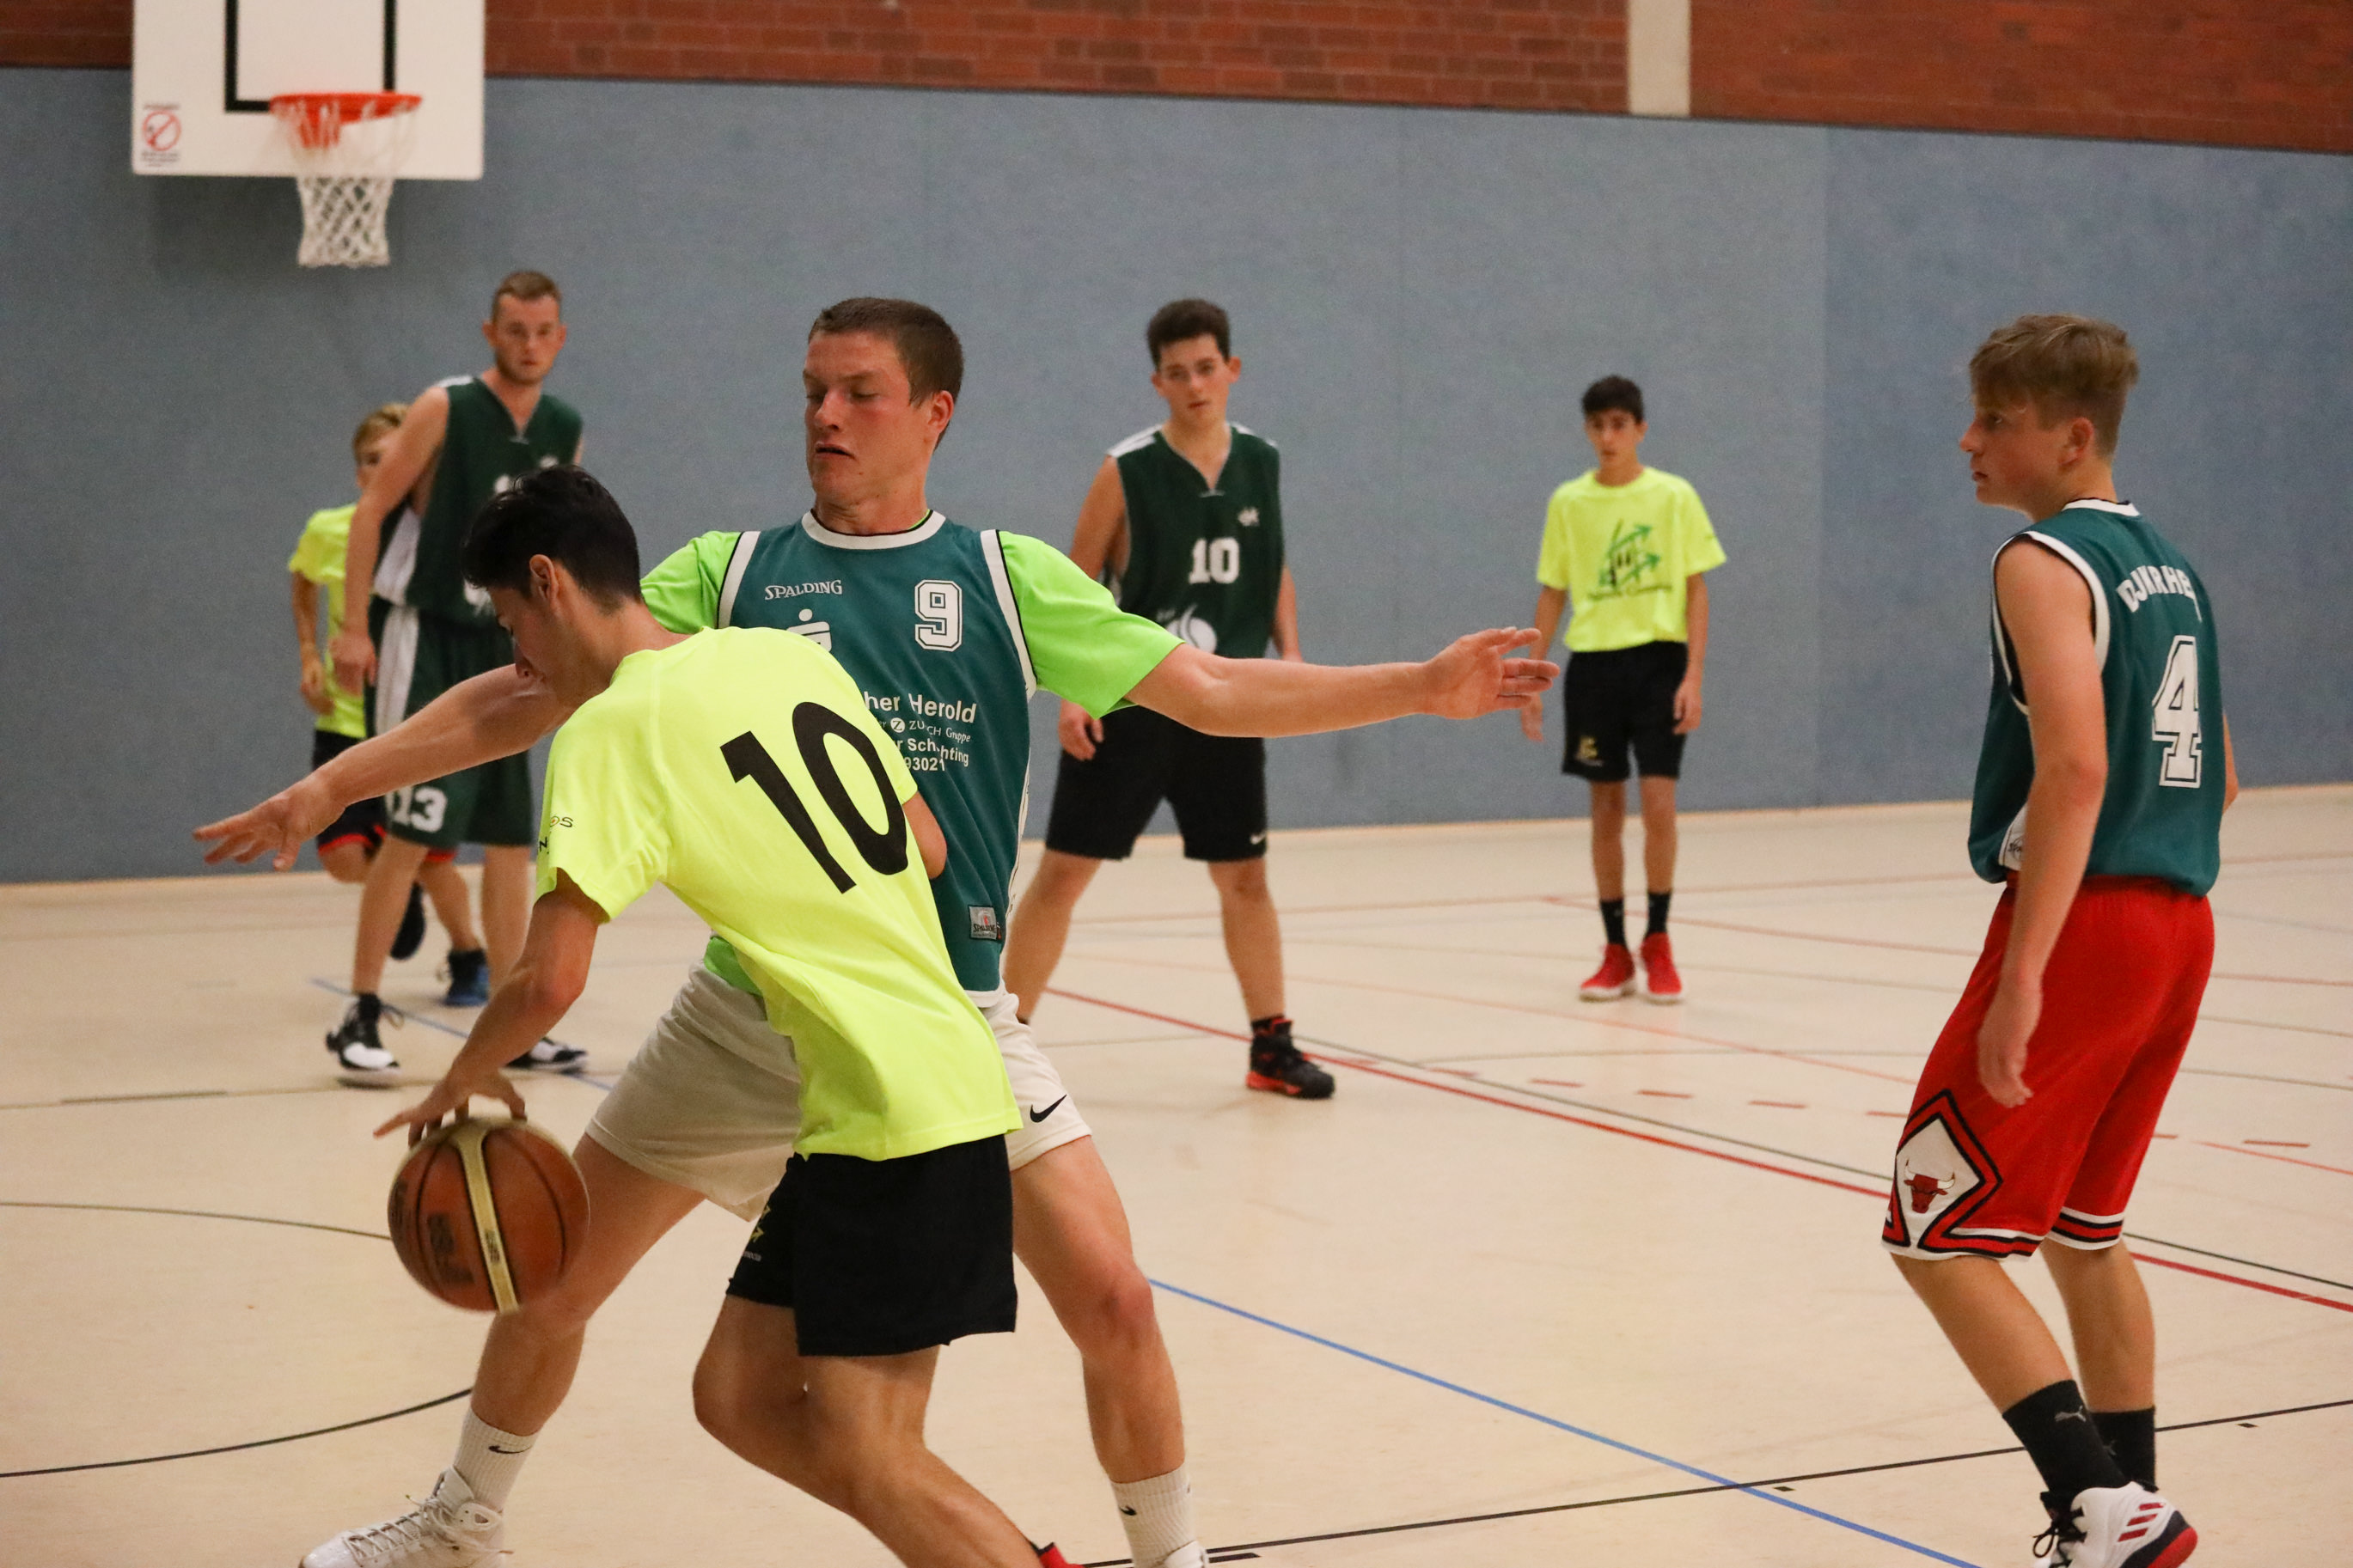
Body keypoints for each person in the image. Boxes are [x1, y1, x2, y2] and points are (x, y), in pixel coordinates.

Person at [197, 298, 1555, 1568]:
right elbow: (523, 687)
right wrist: (331, 784)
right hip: (746, 1014)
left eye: (859, 393)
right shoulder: (734, 576)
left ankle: (1173, 1555)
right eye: (811, 392)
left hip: (936, 1010)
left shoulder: (1005, 577)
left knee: (1116, 1303)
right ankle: (460, 1523)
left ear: (934, 413)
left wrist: (1417, 686)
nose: (825, 416)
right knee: (548, 1279)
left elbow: (1204, 688)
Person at [379, 465, 1054, 1568]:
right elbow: (928, 846)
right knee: (738, 1395)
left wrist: (463, 1075)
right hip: (908, 1080)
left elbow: (549, 979)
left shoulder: (606, 731)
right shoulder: (781, 656)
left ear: (549, 583)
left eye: (510, 624)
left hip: (894, 1108)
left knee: (874, 1453)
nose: (518, 661)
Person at [1883, 315, 2231, 1568]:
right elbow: (2220, 776)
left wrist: (2025, 971)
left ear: (2071, 437)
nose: (1967, 440)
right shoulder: (2170, 568)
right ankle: (2124, 1512)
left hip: (2085, 920)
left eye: (1996, 419)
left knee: (1932, 1227)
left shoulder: (2040, 560)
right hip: (2179, 926)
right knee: (2084, 1231)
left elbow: (2074, 765)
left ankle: (2100, 1504)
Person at [1001, 299, 1326, 1098]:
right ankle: (997, 1046)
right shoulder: (1126, 470)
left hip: (1228, 703)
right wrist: (1073, 692)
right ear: (1158, 382)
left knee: (1244, 876)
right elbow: (1074, 587)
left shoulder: (1262, 460)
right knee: (1064, 874)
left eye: (1206, 368)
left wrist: (1291, 657)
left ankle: (1271, 1045)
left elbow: (1272, 565)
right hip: (1135, 699)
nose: (1195, 385)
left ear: (1232, 370)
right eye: (1177, 373)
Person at [323, 270, 587, 1081]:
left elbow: (558, 543)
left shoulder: (564, 426)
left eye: (542, 332)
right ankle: (360, 1009)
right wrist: (353, 625)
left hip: (508, 641)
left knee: (509, 840)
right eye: (515, 330)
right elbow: (372, 509)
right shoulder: (445, 406)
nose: (529, 345)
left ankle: (516, 1020)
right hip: (429, 632)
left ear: (560, 338)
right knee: (412, 829)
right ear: (490, 333)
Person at [1520, 375, 1723, 1004]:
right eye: (1598, 426)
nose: (1608, 437)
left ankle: (1657, 939)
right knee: (1605, 810)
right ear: (1587, 431)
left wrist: (1693, 675)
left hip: (1659, 665)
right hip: (1594, 669)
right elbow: (1553, 591)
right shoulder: (1569, 502)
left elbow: (1696, 589)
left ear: (1640, 430)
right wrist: (1531, 675)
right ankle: (1615, 950)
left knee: (1659, 805)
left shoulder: (1674, 496)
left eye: (1619, 425)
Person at [289, 403, 480, 1032]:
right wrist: (309, 652)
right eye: (372, 460)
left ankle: (469, 953)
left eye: (396, 456)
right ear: (358, 472)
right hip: (346, 722)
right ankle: (400, 897)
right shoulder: (332, 529)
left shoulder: (434, 538)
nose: (384, 468)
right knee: (343, 857)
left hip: (410, 727)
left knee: (428, 854)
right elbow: (302, 580)